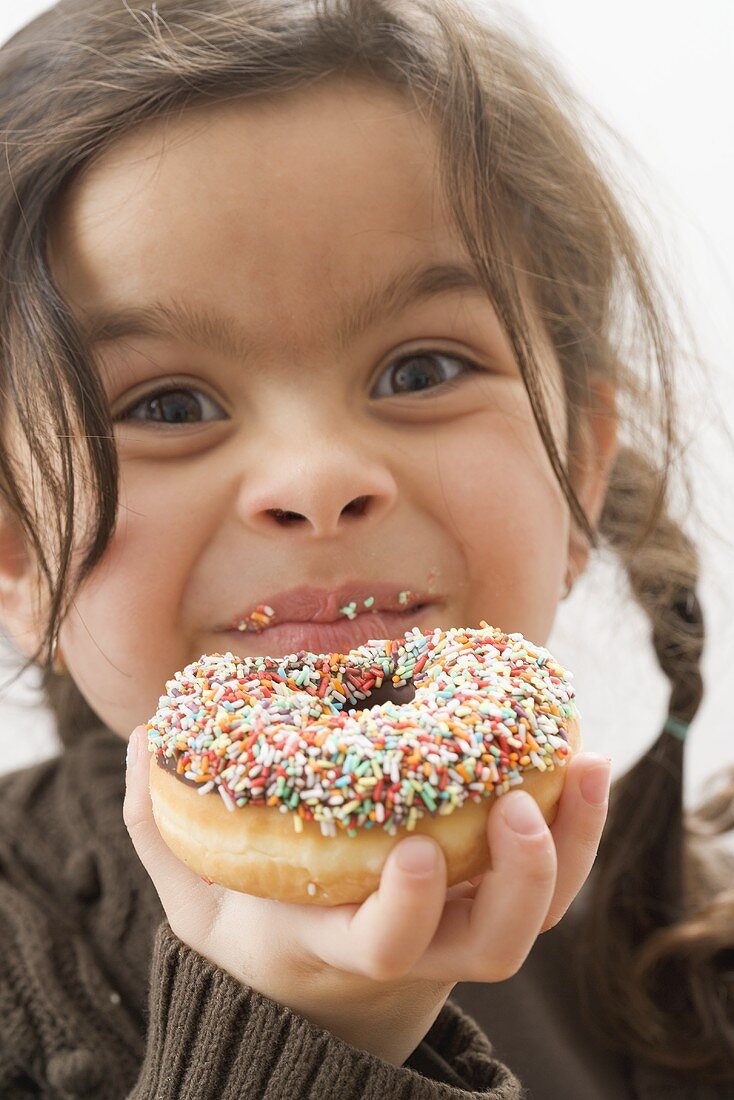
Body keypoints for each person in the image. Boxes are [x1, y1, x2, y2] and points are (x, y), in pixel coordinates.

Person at [0, 1, 730, 1097]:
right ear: (15, 552)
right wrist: (292, 1034)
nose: (317, 480)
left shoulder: (698, 949)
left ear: (577, 469)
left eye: (420, 371)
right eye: (169, 401)